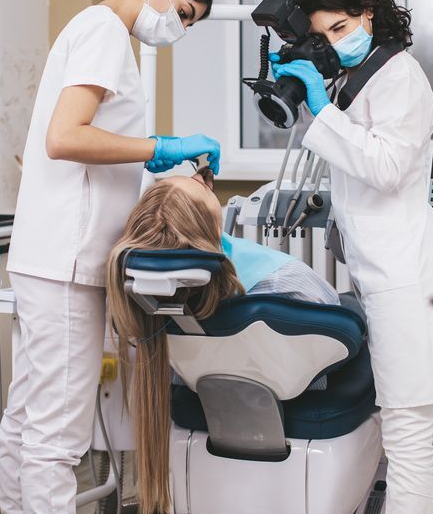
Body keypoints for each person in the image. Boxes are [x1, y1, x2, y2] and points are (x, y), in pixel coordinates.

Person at [0, 0, 221, 514]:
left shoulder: (96, 31)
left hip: (48, 256)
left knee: (27, 419)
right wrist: (160, 148)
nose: (180, 27)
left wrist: (155, 163)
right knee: (57, 434)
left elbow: (94, 148)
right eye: (185, 12)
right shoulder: (103, 32)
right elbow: (64, 138)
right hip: (66, 262)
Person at [270, 0, 433, 513]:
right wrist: (308, 94)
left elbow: (384, 167)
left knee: (412, 434)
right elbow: (351, 150)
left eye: (341, 27)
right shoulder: (356, 79)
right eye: (323, 35)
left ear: (367, 12)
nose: (336, 43)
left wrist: (321, 109)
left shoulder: (399, 75)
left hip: (406, 277)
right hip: (410, 267)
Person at [105, 168, 342, 514]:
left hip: (202, 399)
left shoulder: (150, 307)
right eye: (198, 184)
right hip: (302, 396)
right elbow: (328, 355)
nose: (203, 178)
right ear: (211, 229)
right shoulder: (288, 282)